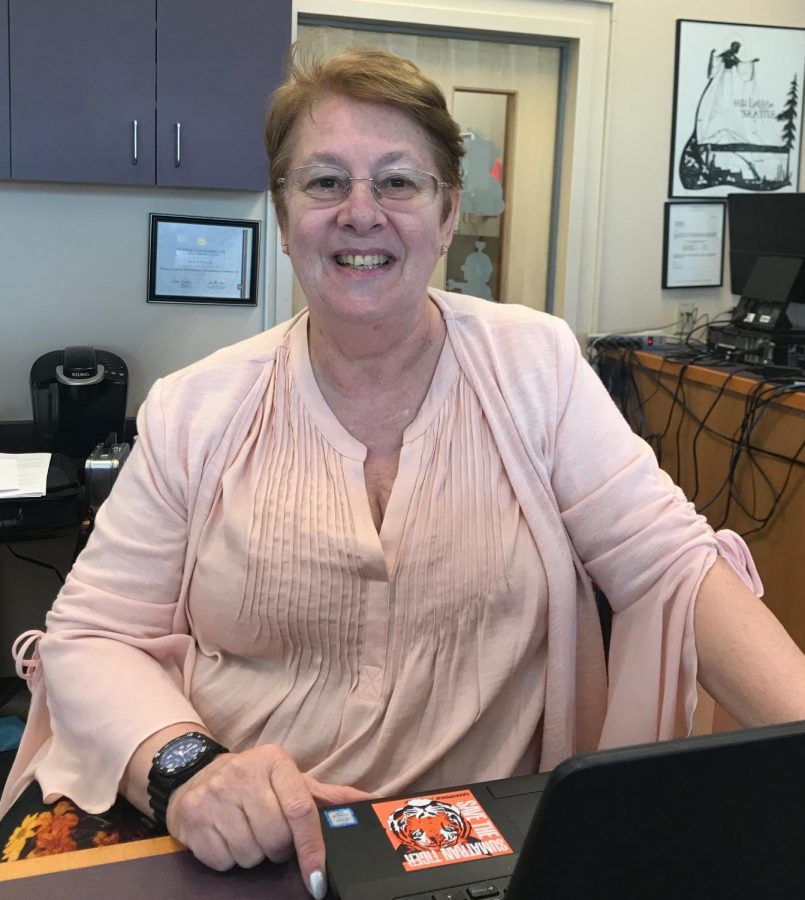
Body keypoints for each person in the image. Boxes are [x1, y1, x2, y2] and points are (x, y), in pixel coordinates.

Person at [3, 41, 805, 899]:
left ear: (448, 212)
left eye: (397, 181)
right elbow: (91, 635)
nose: (361, 212)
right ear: (283, 215)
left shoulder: (532, 364)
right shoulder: (196, 408)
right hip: (244, 849)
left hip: (477, 852)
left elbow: (674, 566)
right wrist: (189, 769)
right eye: (323, 182)